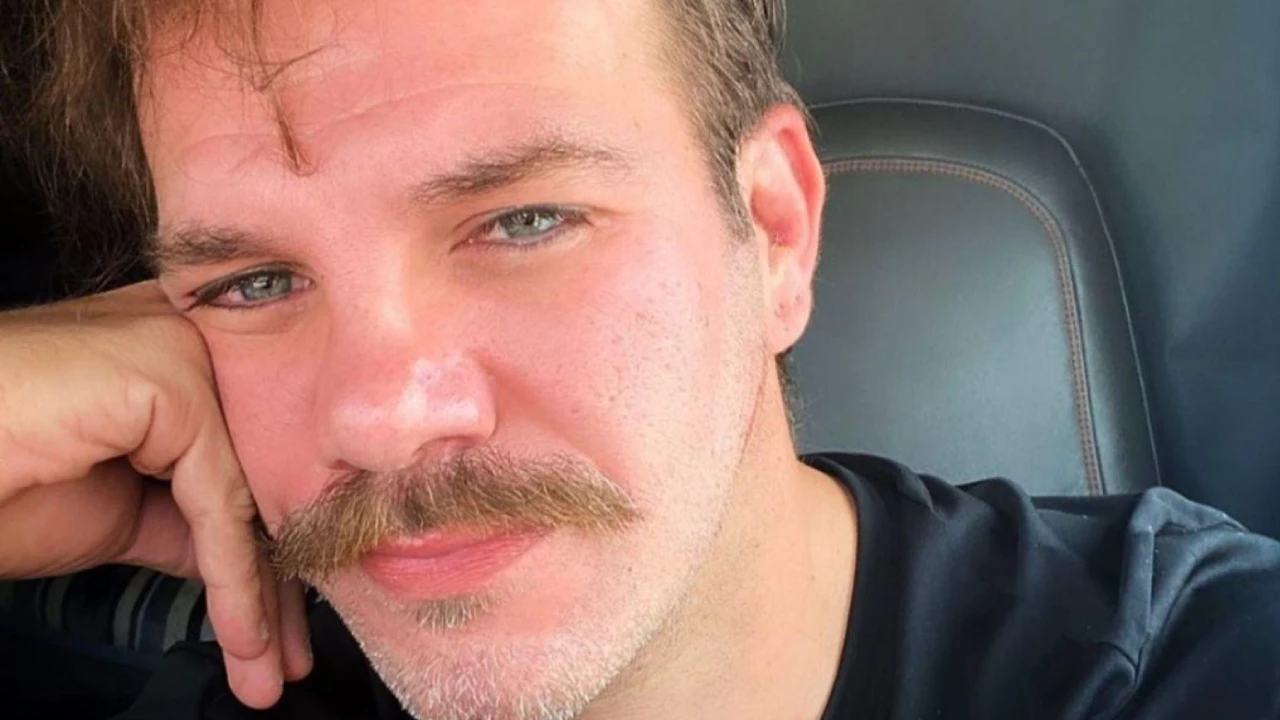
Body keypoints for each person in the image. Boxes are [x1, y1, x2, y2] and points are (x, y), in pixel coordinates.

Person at [1, 1, 1278, 718]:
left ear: (773, 232)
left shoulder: (1183, 665)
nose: (380, 418)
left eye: (522, 221)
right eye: (256, 283)